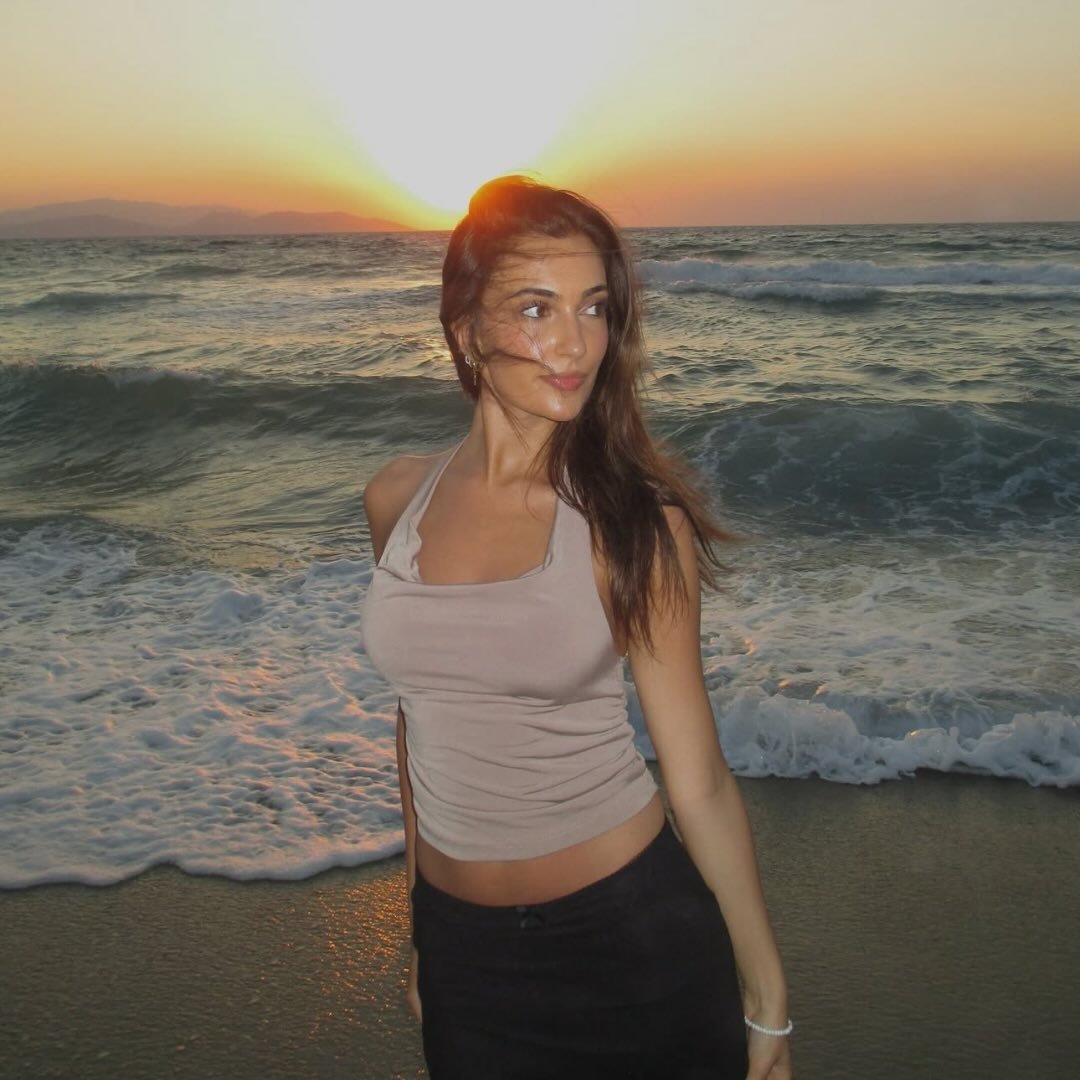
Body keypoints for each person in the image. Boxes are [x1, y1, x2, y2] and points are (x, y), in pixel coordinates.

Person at [362, 176, 792, 1080]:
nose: (575, 342)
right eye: (536, 308)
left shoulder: (631, 523)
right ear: (465, 330)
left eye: (593, 307)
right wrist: (421, 929)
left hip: (633, 946)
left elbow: (699, 781)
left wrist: (768, 1002)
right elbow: (419, 723)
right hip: (465, 956)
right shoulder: (396, 498)